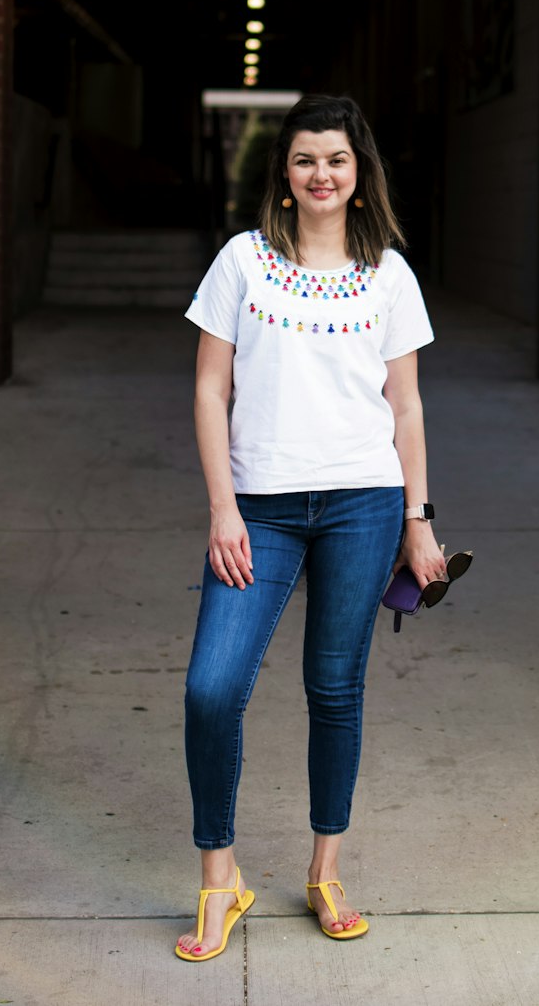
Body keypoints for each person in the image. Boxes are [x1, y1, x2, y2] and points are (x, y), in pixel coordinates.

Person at [175, 93, 445, 962]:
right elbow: (211, 389)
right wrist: (223, 507)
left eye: (335, 159)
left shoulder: (389, 276)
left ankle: (326, 867)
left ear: (358, 174)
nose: (320, 174)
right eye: (304, 160)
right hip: (261, 509)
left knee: (335, 690)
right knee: (212, 690)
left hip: (364, 503)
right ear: (283, 176)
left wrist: (419, 520)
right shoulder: (242, 262)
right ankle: (221, 880)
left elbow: (405, 407)